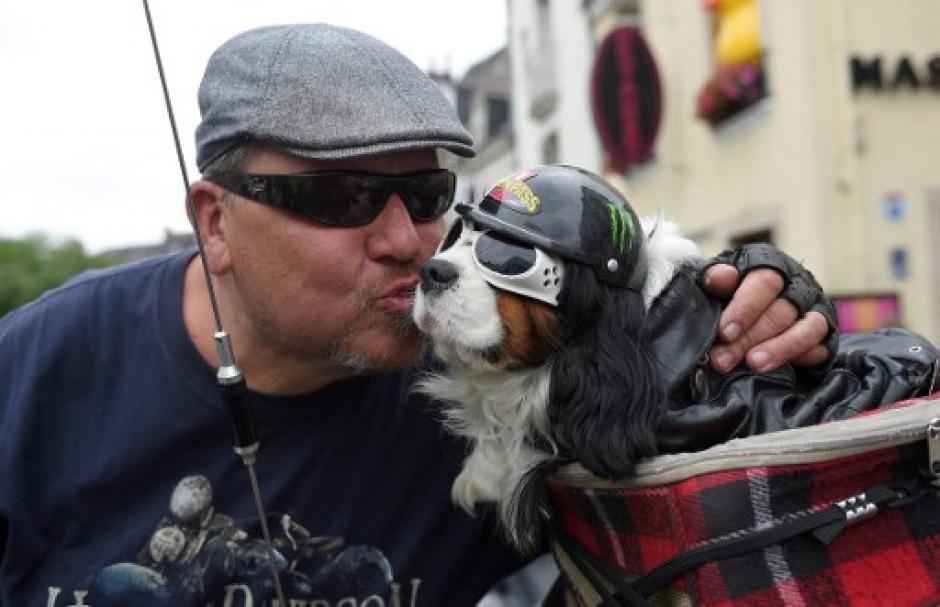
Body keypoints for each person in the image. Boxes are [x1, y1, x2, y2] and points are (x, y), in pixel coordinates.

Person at [0, 23, 833, 607]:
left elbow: (714, 449)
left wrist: (758, 309)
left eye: (430, 194)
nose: (409, 240)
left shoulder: (492, 383)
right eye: (343, 196)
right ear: (215, 222)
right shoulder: (32, 371)